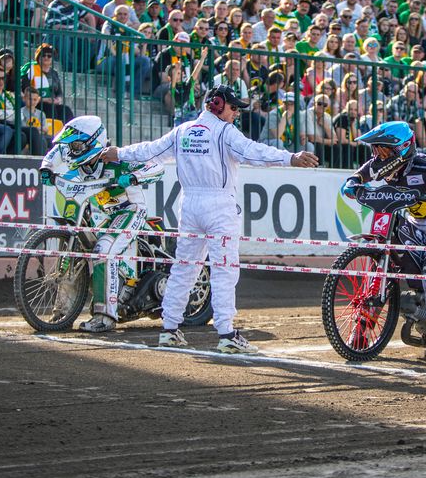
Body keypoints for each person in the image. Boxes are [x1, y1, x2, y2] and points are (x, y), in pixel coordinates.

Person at [102, 85, 319, 353]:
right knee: (224, 269)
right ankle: (227, 333)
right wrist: (290, 158)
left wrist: (119, 153)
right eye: (233, 107)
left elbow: (150, 150)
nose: (236, 113)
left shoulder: (183, 131)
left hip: (190, 204)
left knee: (184, 267)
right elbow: (254, 152)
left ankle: (169, 328)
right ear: (217, 105)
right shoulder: (224, 132)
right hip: (219, 204)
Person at [340, 121, 426, 363]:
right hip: (414, 224)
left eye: (383, 151)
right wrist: (352, 183)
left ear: (402, 149)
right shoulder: (379, 166)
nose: (378, 156)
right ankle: (363, 328)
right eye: (376, 151)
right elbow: (359, 175)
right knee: (385, 254)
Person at [39, 115, 164, 332]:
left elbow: (156, 167)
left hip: (130, 210)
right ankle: (62, 310)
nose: (71, 150)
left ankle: (105, 317)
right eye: (71, 145)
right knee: (75, 249)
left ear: (94, 141)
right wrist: (46, 168)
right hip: (104, 215)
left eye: (77, 145)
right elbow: (56, 152)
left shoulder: (116, 158)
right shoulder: (76, 160)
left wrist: (133, 177)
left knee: (103, 250)